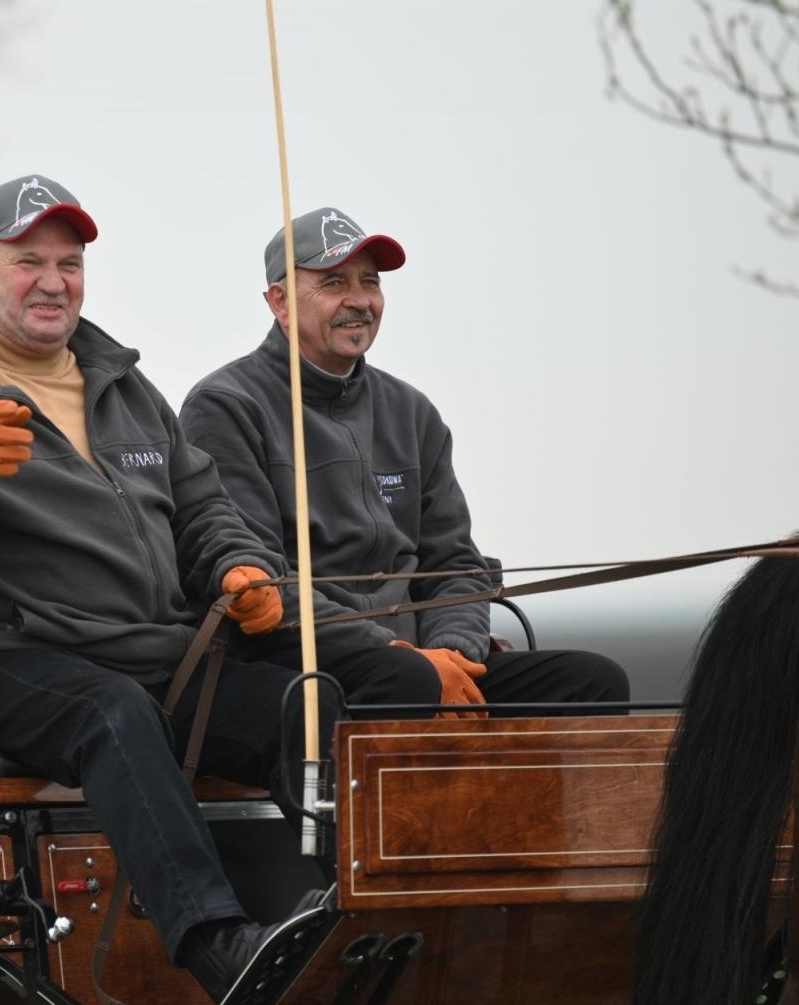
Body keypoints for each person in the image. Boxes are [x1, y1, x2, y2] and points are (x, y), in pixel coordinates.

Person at [0, 174, 331, 1000]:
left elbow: (203, 507)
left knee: (303, 703)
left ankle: (341, 917)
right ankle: (217, 944)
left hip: (157, 650)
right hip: (9, 657)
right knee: (111, 711)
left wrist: (241, 567)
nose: (54, 281)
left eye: (70, 262)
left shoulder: (126, 384)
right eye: (28, 260)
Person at [181, 207, 629, 710]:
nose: (359, 301)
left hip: (422, 659)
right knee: (408, 681)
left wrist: (451, 652)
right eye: (333, 283)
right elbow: (259, 581)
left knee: (594, 679)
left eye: (370, 282)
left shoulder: (411, 411)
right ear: (280, 302)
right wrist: (401, 656)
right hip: (309, 664)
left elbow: (454, 561)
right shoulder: (226, 406)